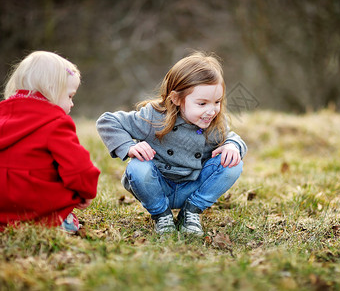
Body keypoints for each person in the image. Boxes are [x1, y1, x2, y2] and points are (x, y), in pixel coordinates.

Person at [96, 51, 247, 236]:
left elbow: (232, 136)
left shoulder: (214, 124)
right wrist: (128, 147)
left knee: (233, 163)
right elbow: (107, 121)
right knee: (137, 167)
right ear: (176, 98)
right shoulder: (154, 117)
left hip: (192, 187)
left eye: (217, 101)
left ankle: (191, 211)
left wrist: (232, 146)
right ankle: (161, 215)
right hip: (157, 186)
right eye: (202, 103)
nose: (212, 110)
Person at [0, 51, 100, 232]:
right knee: (55, 194)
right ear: (52, 90)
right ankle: (54, 221)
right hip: (35, 204)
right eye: (70, 96)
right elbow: (78, 167)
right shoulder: (55, 121)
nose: (72, 104)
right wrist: (87, 192)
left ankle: (3, 218)